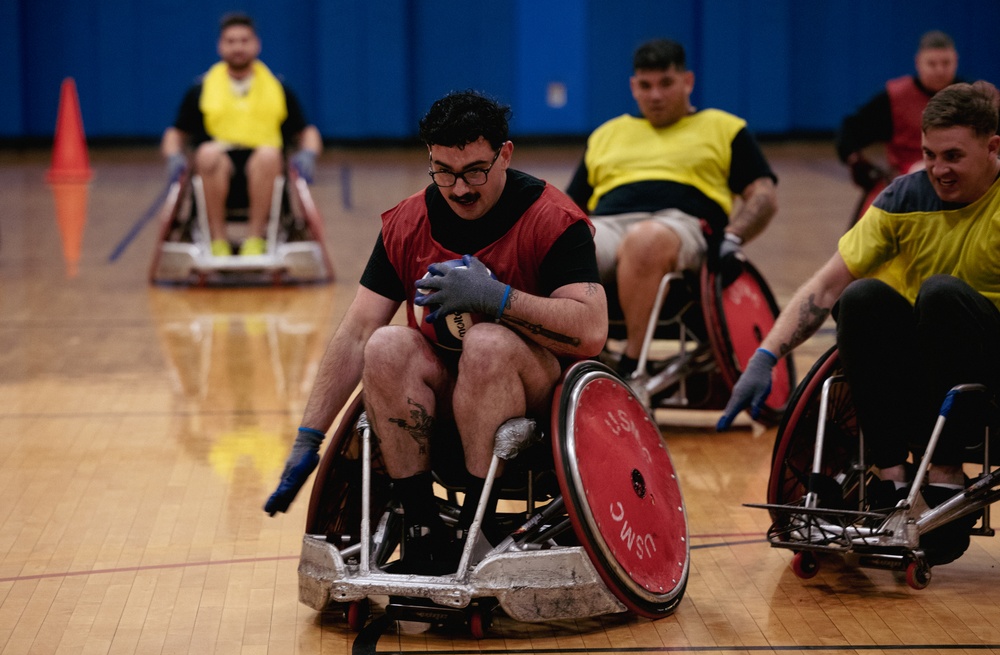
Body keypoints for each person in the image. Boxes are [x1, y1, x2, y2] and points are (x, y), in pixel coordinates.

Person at [263, 90, 607, 574]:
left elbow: (591, 331)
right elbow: (359, 330)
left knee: (486, 344)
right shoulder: (408, 221)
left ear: (505, 154)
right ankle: (424, 530)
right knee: (385, 345)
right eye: (443, 171)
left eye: (474, 171)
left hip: (537, 401)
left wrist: (496, 299)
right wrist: (308, 438)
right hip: (447, 394)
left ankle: (476, 528)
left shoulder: (552, 217)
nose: (460, 188)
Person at [720, 81, 1000, 566]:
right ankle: (890, 478)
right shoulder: (905, 196)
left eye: (953, 156)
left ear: (993, 147)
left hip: (989, 374)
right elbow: (825, 287)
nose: (938, 169)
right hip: (929, 374)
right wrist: (766, 355)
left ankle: (945, 472)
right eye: (930, 154)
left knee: (940, 292)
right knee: (862, 295)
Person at [565, 38, 777, 383]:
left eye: (666, 84)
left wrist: (734, 237)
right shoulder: (607, 133)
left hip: (682, 225)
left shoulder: (724, 128)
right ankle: (584, 359)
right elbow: (569, 206)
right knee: (565, 245)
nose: (656, 96)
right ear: (633, 87)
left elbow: (764, 196)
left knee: (645, 240)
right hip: (608, 224)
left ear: (687, 81)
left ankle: (632, 367)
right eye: (645, 86)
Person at [160, 12, 322, 257]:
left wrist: (309, 153)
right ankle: (218, 241)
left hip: (265, 171)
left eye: (244, 41)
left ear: (256, 44)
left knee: (269, 155)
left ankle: (255, 241)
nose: (238, 47)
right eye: (231, 41)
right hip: (215, 170)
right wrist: (173, 156)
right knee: (207, 153)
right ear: (220, 46)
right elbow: (176, 133)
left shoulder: (278, 88)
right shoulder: (200, 89)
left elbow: (306, 131)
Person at [836, 30, 960, 193]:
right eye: (932, 64)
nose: (939, 70)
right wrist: (854, 160)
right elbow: (851, 128)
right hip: (906, 184)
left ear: (956, 61)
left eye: (945, 63)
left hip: (960, 179)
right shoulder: (894, 98)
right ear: (918, 63)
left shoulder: (973, 96)